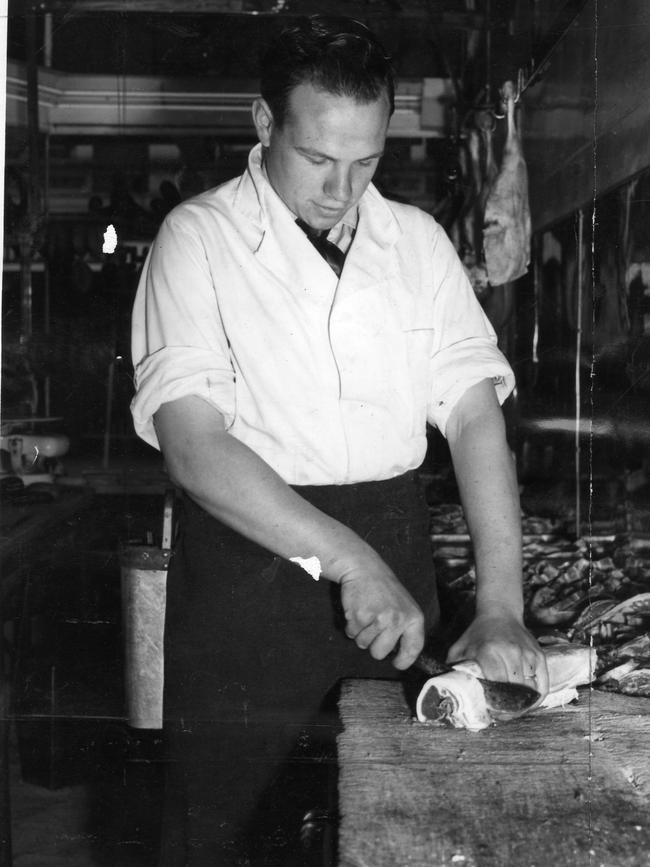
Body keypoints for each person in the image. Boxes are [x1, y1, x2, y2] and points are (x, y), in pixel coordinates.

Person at [130, 15, 549, 865]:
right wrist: (350, 562)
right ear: (263, 122)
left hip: (397, 569)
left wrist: (502, 603)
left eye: (365, 162)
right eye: (317, 159)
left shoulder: (418, 244)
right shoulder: (198, 240)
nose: (341, 188)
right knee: (234, 837)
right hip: (248, 580)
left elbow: (473, 415)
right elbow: (193, 444)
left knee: (398, 835)